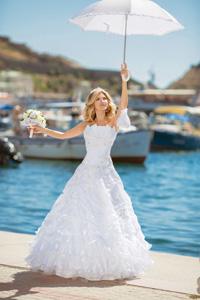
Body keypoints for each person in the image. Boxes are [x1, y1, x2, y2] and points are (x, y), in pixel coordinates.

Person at [25, 63, 154, 281]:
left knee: (108, 216)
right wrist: (42, 129)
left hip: (106, 174)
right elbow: (64, 136)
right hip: (85, 173)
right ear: (92, 103)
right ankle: (76, 262)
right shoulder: (86, 124)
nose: (103, 101)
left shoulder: (114, 122)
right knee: (77, 214)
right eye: (98, 98)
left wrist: (124, 80)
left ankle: (107, 263)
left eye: (105, 98)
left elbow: (124, 104)